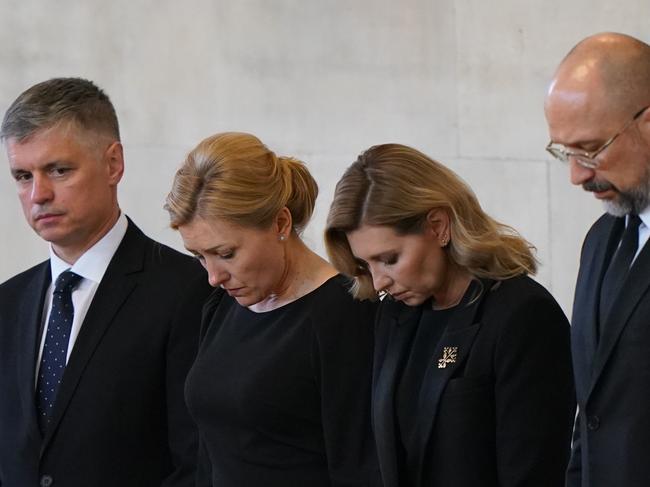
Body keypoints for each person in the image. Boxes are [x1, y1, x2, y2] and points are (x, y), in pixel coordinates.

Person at [0, 78, 211, 487]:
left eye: (58, 170)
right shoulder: (7, 303)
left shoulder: (189, 291)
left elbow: (196, 463)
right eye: (22, 176)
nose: (38, 194)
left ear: (113, 164)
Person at [324, 143, 575, 487]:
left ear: (439, 226)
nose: (379, 280)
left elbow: (533, 472)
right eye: (365, 264)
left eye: (390, 258)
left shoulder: (523, 315)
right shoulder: (394, 313)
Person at [164, 131, 379, 487]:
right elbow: (208, 453)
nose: (214, 276)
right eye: (199, 257)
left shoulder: (343, 314)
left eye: (226, 253)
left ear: (280, 223)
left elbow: (358, 466)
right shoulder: (223, 304)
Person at [545, 32, 650, 487]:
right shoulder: (602, 239)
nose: (576, 174)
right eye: (565, 152)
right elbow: (592, 414)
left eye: (589, 149)